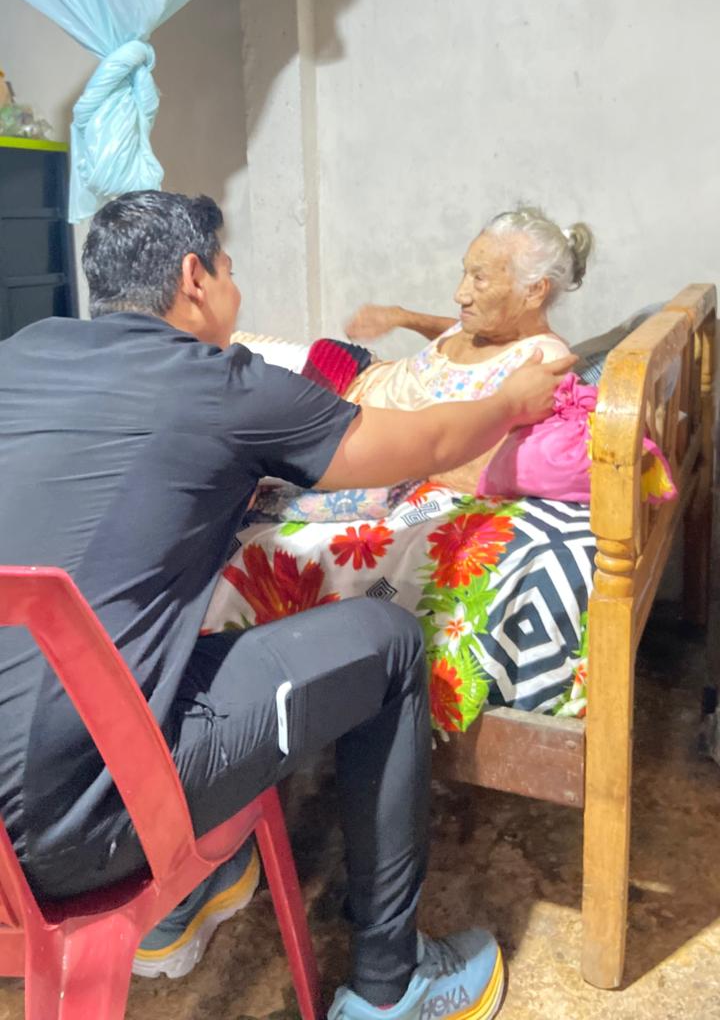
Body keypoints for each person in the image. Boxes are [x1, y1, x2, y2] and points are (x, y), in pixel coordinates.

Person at [0, 191, 573, 1020]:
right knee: (388, 641)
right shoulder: (223, 386)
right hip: (75, 827)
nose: (236, 291)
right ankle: (391, 984)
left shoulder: (22, 352)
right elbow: (427, 444)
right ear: (194, 278)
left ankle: (195, 888)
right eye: (230, 272)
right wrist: (513, 404)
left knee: (179, 629)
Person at [236, 207, 593, 495]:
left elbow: (489, 464)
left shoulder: (541, 364)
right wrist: (401, 317)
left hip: (344, 421)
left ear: (534, 291)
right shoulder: (486, 325)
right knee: (234, 365)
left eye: (479, 279)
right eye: (465, 273)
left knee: (236, 398)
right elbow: (454, 331)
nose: (460, 294)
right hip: (344, 372)